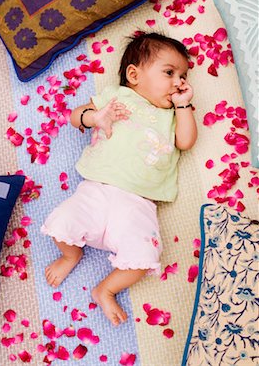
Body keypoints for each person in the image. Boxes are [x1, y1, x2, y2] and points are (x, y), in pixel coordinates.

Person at [41, 32, 197, 326]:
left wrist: (183, 105)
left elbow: (186, 142)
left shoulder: (174, 115)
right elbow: (75, 116)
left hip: (137, 205)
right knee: (60, 224)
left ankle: (106, 289)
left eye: (183, 75)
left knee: (145, 256)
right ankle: (70, 256)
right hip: (96, 191)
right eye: (169, 72)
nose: (179, 82)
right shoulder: (117, 97)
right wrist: (96, 117)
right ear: (134, 75)